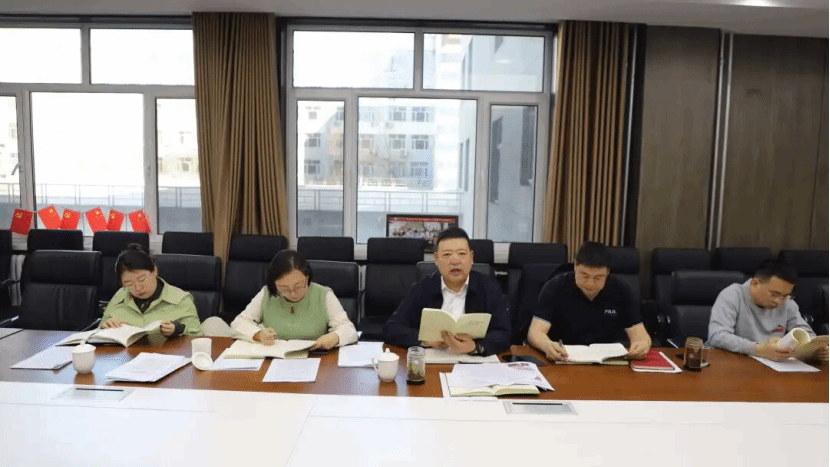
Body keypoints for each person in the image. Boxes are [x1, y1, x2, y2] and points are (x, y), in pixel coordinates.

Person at [383, 227, 510, 356]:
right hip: (434, 359)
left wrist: (476, 346)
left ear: (471, 257)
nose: (455, 261)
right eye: (447, 255)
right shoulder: (422, 288)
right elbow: (391, 328)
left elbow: (505, 333)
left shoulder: (489, 288)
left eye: (461, 254)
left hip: (474, 361)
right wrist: (425, 341)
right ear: (436, 259)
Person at [527, 241, 651, 361]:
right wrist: (546, 345)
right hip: (563, 358)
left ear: (608, 272)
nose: (590, 284)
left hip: (607, 361)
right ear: (575, 266)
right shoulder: (555, 286)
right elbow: (535, 332)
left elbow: (640, 335)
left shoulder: (621, 290)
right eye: (584, 275)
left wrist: (642, 345)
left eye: (598, 277)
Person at [230, 249, 357, 350]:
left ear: (307, 277)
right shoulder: (267, 293)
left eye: (298, 286)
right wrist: (258, 334)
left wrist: (335, 337)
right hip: (275, 358)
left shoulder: (323, 295)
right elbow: (238, 323)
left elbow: (348, 329)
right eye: (284, 288)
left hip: (313, 358)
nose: (292, 294)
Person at [708, 260, 828, 363]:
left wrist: (814, 351)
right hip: (730, 362)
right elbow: (717, 336)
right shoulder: (732, 295)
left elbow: (807, 334)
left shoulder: (788, 303)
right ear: (755, 284)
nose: (779, 301)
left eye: (785, 295)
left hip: (770, 366)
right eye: (774, 294)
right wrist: (759, 349)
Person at [100, 244, 203, 336]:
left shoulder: (180, 299)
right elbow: (98, 332)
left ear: (154, 271)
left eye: (141, 279)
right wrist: (106, 326)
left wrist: (177, 330)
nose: (137, 288)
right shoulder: (120, 296)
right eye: (128, 284)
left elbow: (197, 337)